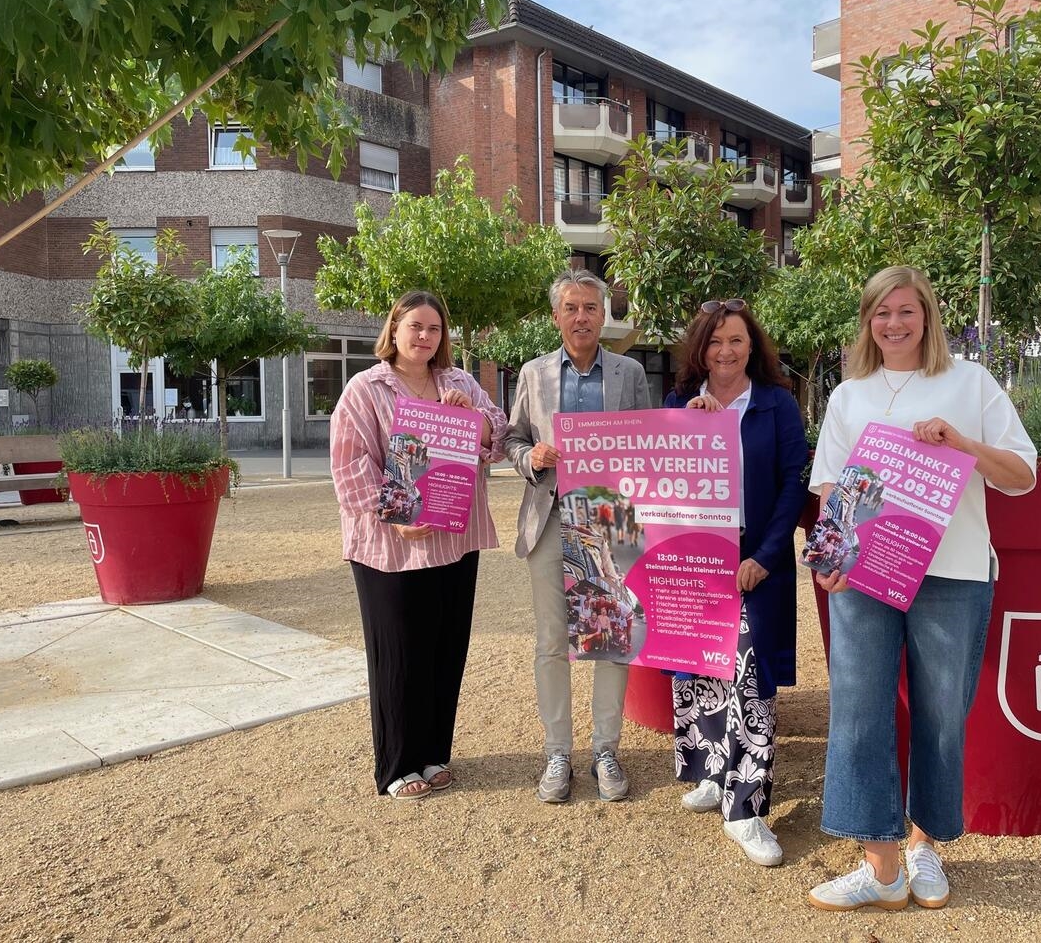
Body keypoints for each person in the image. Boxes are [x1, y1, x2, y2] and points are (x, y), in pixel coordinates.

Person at [806, 267, 1037, 911]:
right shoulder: (847, 396)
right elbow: (831, 487)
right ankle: (880, 866)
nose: (895, 325)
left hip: (953, 572)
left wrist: (962, 443)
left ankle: (923, 846)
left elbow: (1021, 474)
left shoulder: (971, 383)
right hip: (865, 574)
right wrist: (830, 554)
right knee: (858, 710)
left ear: (927, 316)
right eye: (882, 313)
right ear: (868, 321)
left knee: (940, 716)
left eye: (906, 311)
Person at [330, 290, 507, 801]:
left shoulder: (459, 382)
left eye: (434, 329)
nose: (425, 337)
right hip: (393, 545)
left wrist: (472, 414)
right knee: (398, 652)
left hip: (454, 538)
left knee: (445, 647)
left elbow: (496, 436)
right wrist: (393, 513)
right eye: (415, 327)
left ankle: (432, 754)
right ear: (395, 328)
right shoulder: (366, 388)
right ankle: (396, 765)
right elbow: (349, 463)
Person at [665, 298, 808, 867]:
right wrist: (686, 428)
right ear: (700, 349)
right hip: (695, 558)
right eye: (715, 342)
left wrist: (769, 556)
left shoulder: (777, 405)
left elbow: (794, 485)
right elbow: (660, 483)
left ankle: (745, 809)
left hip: (755, 559)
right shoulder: (679, 402)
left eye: (737, 342)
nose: (725, 352)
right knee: (701, 666)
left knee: (749, 679)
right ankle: (710, 772)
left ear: (753, 347)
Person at [505, 267, 652, 804]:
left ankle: (606, 750)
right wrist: (529, 457)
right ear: (556, 316)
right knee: (551, 642)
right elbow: (512, 438)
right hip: (549, 517)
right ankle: (558, 753)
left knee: (613, 633)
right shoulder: (533, 373)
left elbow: (650, 440)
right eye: (571, 307)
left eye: (591, 307)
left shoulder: (630, 372)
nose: (582, 317)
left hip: (613, 520)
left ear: (603, 314)